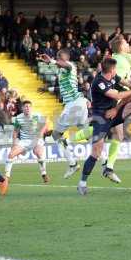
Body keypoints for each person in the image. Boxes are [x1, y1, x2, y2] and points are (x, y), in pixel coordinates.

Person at [73, 38, 131, 182]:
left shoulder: (111, 60)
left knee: (118, 134)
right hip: (115, 97)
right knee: (120, 123)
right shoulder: (126, 57)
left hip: (109, 98)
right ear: (121, 47)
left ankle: (108, 167)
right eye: (126, 43)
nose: (128, 45)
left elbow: (125, 81)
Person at [77, 58, 131, 195]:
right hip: (101, 118)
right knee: (96, 151)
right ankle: (82, 183)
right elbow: (118, 95)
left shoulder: (113, 77)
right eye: (115, 69)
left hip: (113, 114)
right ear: (112, 70)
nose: (116, 71)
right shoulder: (99, 82)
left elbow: (128, 82)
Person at [41, 49, 89, 179]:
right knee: (88, 134)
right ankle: (106, 163)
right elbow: (63, 87)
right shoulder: (62, 72)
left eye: (59, 56)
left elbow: (65, 65)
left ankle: (73, 164)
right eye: (57, 56)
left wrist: (51, 61)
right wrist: (48, 89)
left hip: (73, 105)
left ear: (66, 57)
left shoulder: (70, 66)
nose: (58, 58)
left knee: (56, 134)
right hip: (79, 104)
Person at [4, 100, 49, 183]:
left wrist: (41, 133)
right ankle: (6, 177)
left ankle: (44, 173)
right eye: (26, 107)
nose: (27, 108)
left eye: (29, 106)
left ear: (31, 108)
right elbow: (16, 131)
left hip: (36, 139)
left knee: (38, 153)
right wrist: (14, 143)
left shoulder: (36, 116)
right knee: (11, 154)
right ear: (22, 108)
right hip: (24, 141)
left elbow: (45, 124)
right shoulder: (18, 118)